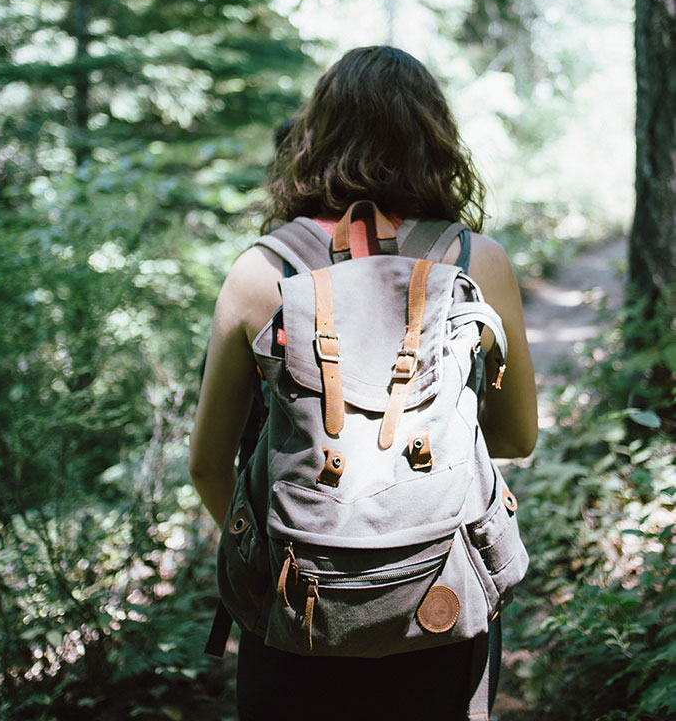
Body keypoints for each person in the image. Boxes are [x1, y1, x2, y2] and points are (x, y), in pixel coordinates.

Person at [189, 46, 538, 719]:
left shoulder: (260, 273)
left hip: (295, 611)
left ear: (314, 138)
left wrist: (284, 559)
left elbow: (208, 465)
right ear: (433, 139)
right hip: (441, 602)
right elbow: (515, 437)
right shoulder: (475, 261)